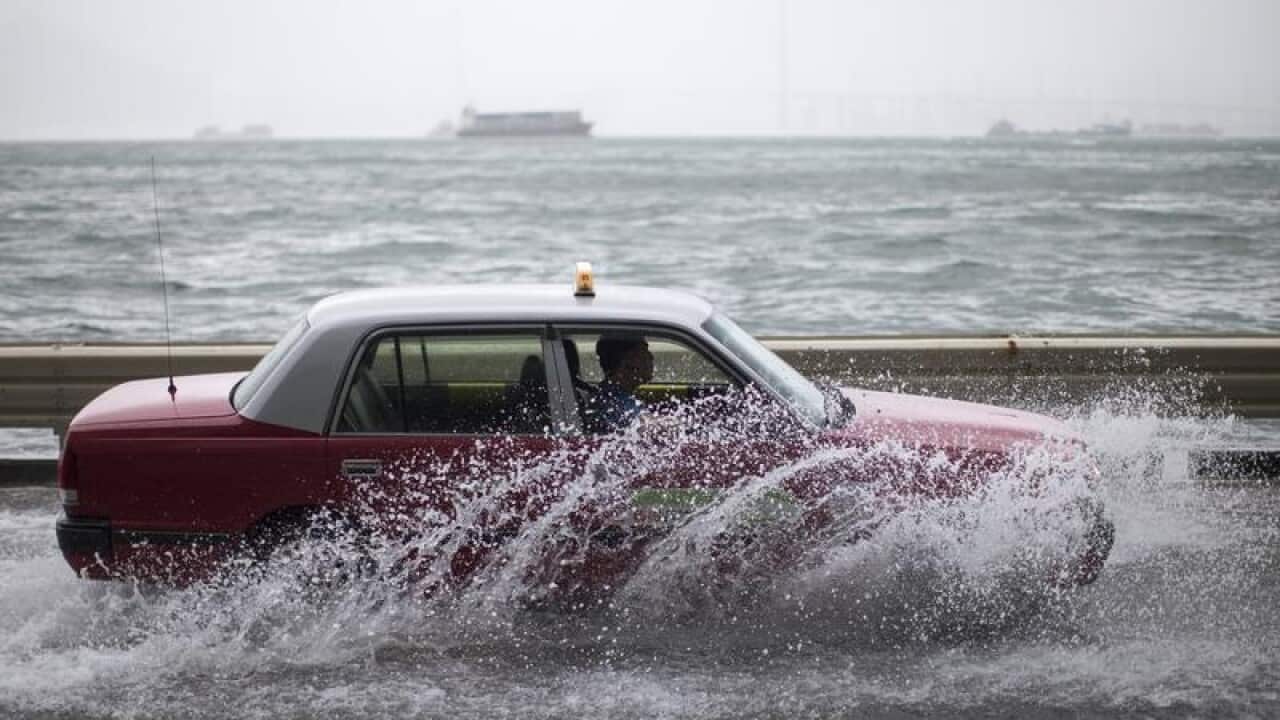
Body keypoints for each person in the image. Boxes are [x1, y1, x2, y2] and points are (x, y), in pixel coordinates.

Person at [587, 333, 654, 431]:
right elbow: (648, 427)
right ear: (627, 361)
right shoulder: (611, 402)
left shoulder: (613, 394)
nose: (651, 357)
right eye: (644, 351)